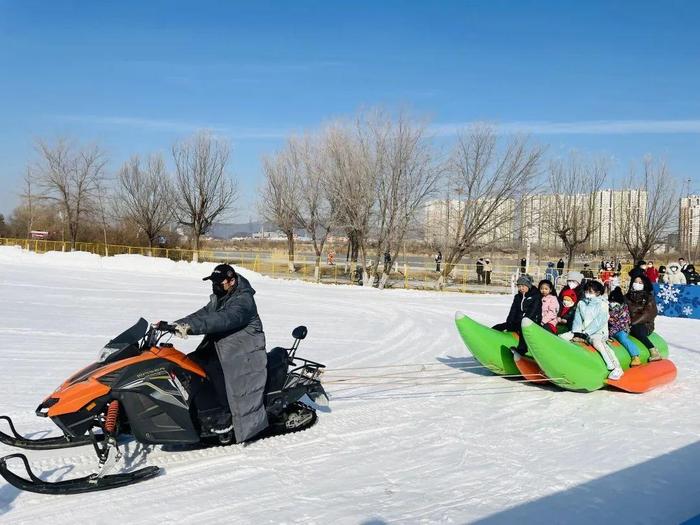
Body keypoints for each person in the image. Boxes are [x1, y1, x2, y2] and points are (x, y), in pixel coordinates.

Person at [172, 264, 268, 442]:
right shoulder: (222, 296)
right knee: (189, 362)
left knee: (216, 368)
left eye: (219, 282)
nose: (215, 286)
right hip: (224, 345)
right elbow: (203, 314)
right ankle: (199, 409)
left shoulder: (243, 300)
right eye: (213, 282)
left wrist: (191, 328)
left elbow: (223, 319)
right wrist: (175, 324)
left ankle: (227, 414)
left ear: (231, 281)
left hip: (244, 350)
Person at [560, 280, 623, 380]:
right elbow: (578, 319)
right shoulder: (581, 303)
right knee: (562, 337)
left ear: (597, 293)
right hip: (581, 331)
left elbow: (599, 322)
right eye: (586, 291)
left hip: (598, 332)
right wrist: (577, 332)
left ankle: (616, 367)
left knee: (598, 343)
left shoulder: (603, 304)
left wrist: (586, 333)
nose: (587, 293)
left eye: (590, 291)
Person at [492, 274, 542, 355]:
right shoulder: (517, 297)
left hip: (532, 322)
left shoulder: (535, 296)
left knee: (523, 330)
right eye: (519, 286)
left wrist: (524, 321)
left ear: (528, 285)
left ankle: (522, 350)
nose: (520, 288)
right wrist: (509, 321)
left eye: (523, 286)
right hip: (519, 321)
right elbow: (513, 310)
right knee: (501, 326)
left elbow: (532, 311)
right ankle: (490, 337)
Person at [626, 274, 661, 361]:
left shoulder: (649, 297)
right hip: (628, 324)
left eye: (640, 282)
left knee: (637, 328)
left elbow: (649, 313)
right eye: (635, 282)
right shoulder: (627, 296)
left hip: (645, 325)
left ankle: (653, 350)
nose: (637, 284)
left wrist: (632, 322)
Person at [608, 286, 641, 366]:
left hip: (621, 329)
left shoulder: (623, 309)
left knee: (623, 339)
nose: (612, 303)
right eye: (611, 301)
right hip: (609, 329)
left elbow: (623, 322)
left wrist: (611, 330)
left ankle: (635, 356)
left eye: (614, 301)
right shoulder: (607, 307)